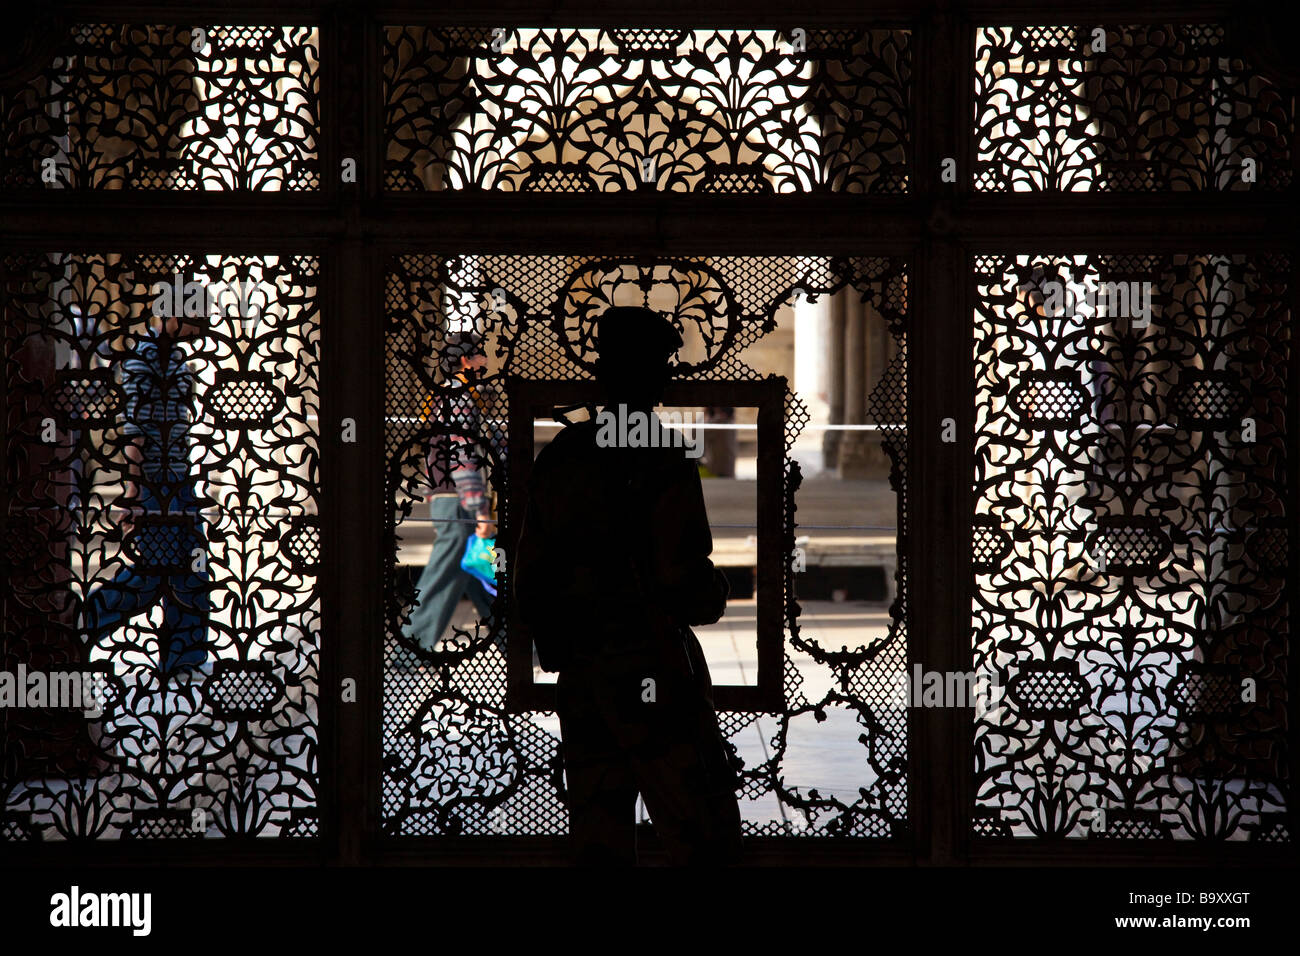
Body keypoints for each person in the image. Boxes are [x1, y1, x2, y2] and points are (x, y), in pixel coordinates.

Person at [514, 306, 742, 865]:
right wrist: (716, 591)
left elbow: (530, 573)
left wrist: (562, 646)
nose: (668, 378)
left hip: (586, 670)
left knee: (599, 832)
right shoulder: (663, 455)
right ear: (644, 373)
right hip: (653, 665)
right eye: (663, 365)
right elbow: (680, 576)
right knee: (701, 828)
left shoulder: (563, 454)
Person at [85, 310, 210, 682]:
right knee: (151, 572)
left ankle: (184, 657)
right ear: (175, 316)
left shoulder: (175, 358)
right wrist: (133, 491)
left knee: (192, 566)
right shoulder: (144, 359)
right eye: (197, 322)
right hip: (158, 483)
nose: (201, 330)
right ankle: (83, 623)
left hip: (178, 481)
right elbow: (135, 430)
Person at [402, 331, 500, 652]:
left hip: (450, 499)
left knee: (480, 571)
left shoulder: (444, 395)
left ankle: (517, 644)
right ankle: (412, 644)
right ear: (464, 360)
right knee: (448, 571)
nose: (484, 361)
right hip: (460, 501)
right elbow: (461, 452)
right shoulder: (458, 395)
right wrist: (481, 509)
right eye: (479, 355)